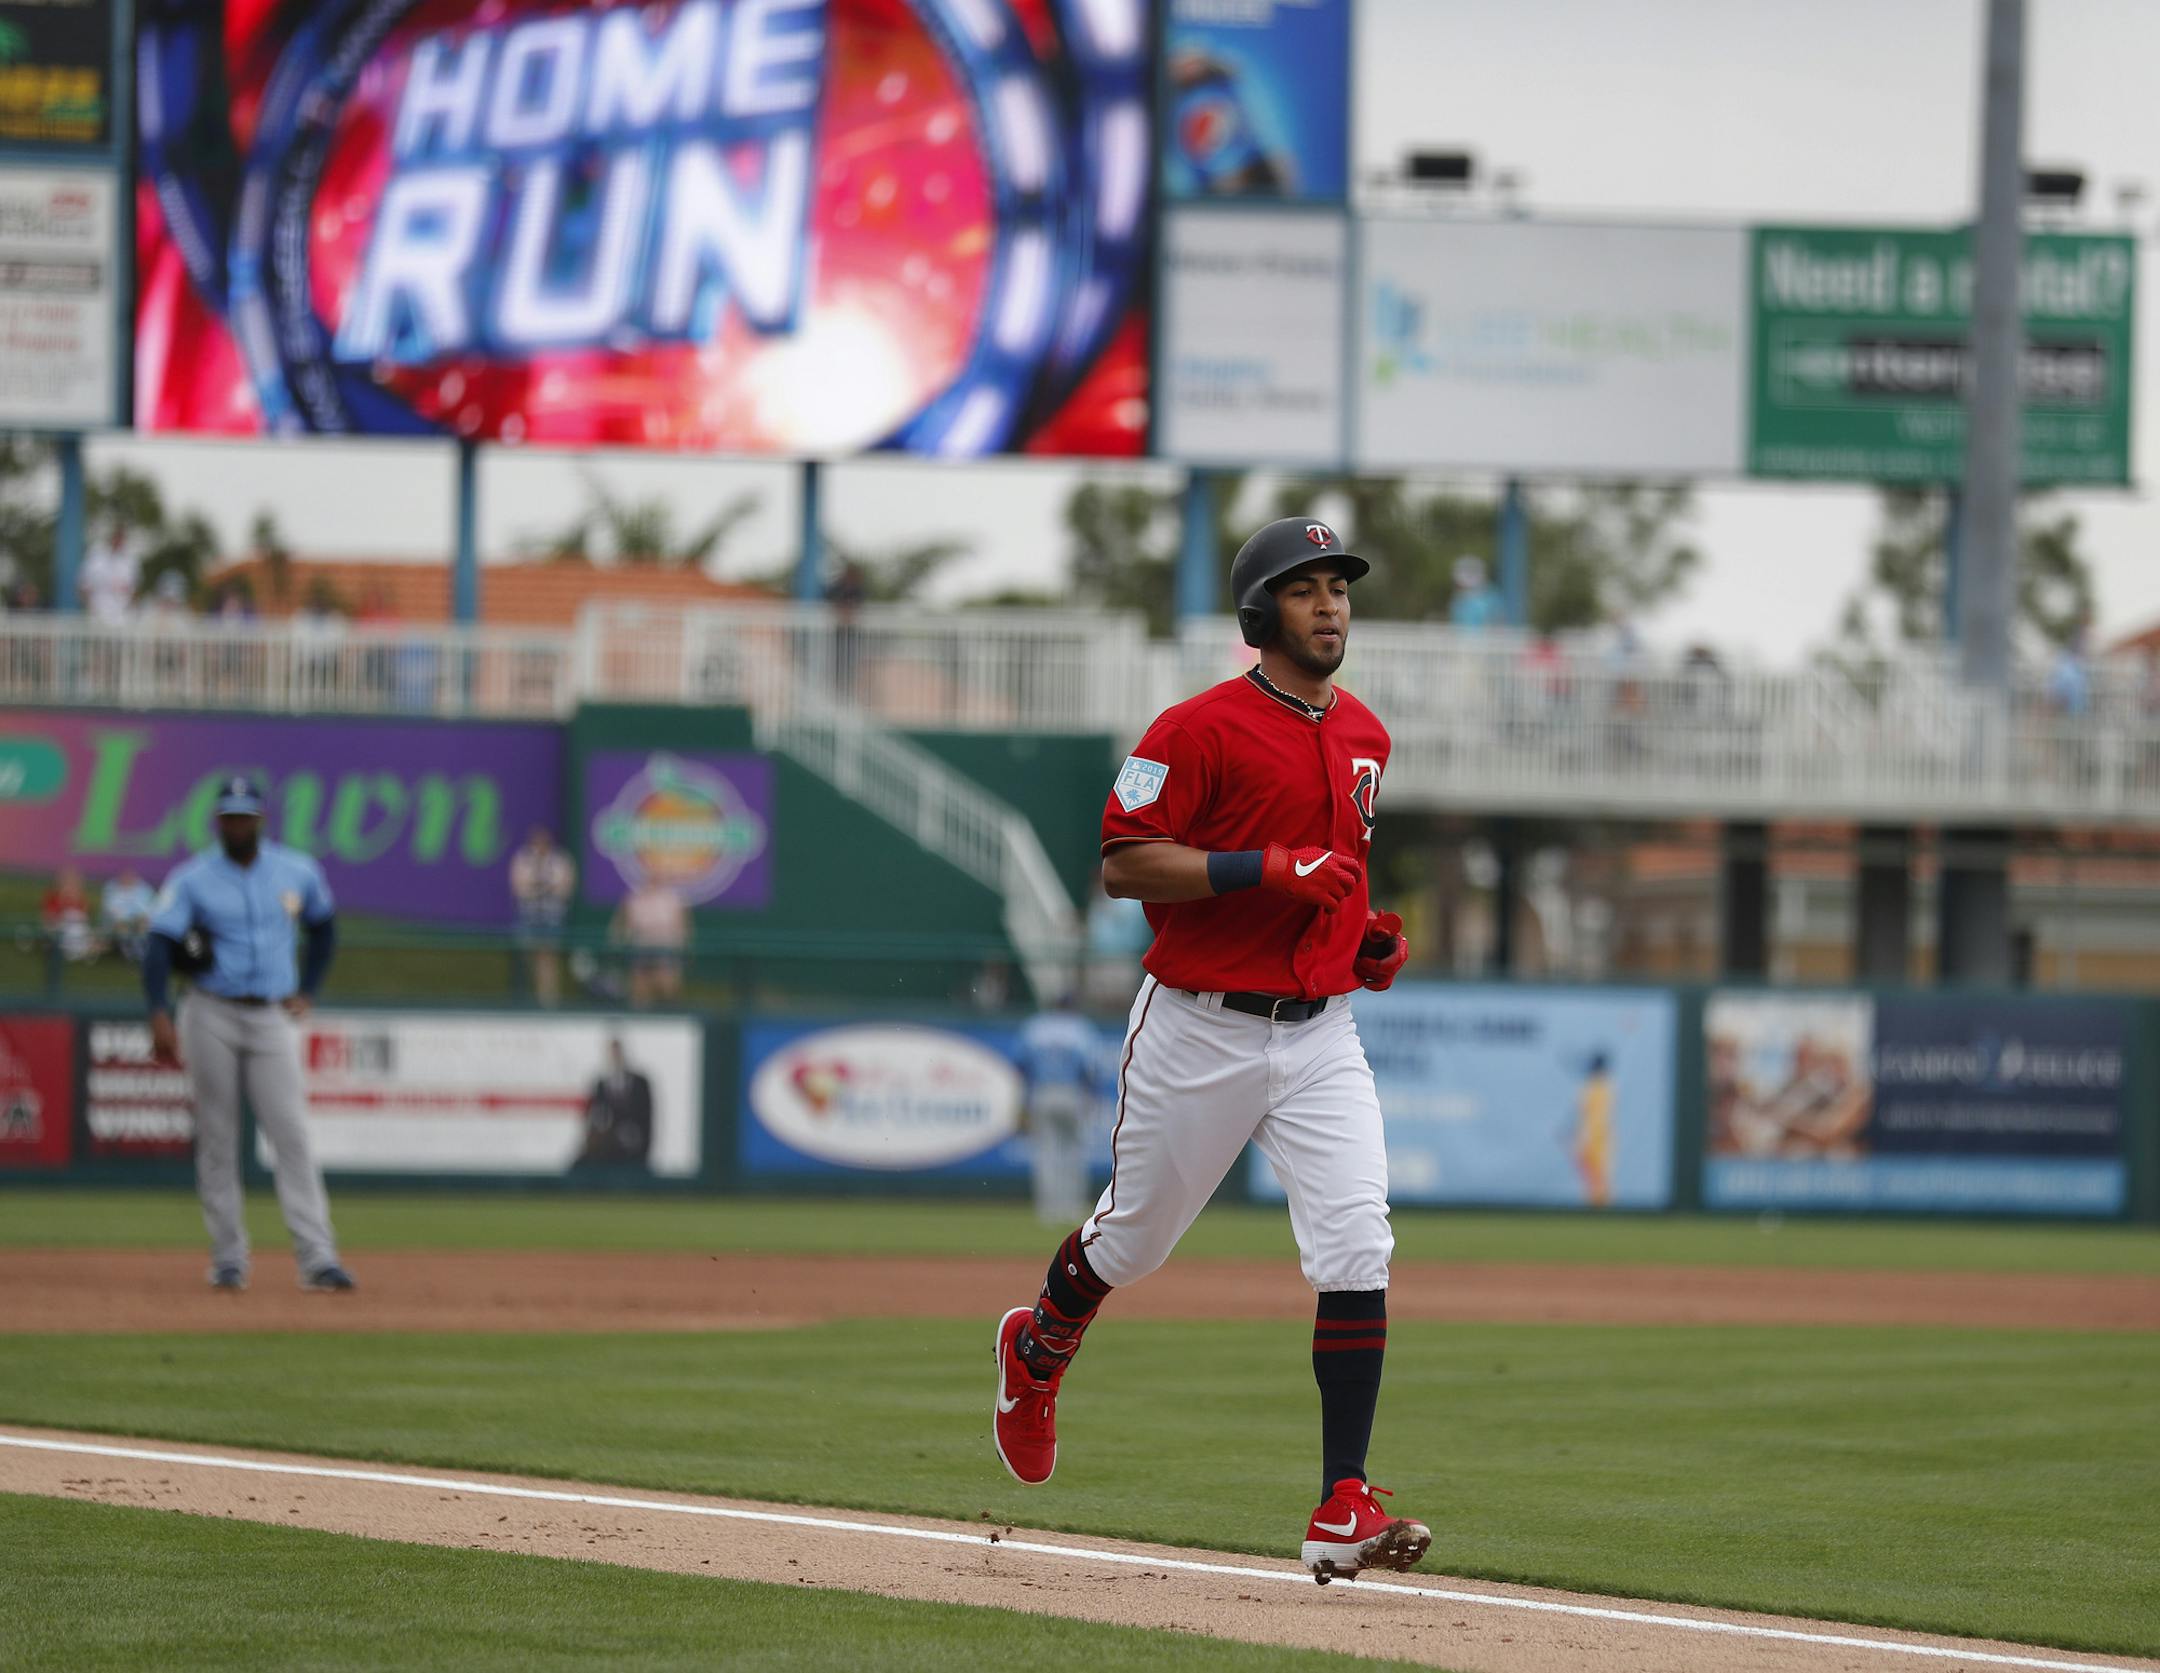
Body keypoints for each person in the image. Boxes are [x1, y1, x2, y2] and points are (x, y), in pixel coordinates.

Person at [990, 517, 1425, 1586]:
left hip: (1319, 1032)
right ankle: (1037, 1344)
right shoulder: (1196, 727)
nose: (1329, 603)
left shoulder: (1366, 731)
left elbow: (1338, 867)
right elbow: (1127, 865)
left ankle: (1342, 1502)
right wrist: (1265, 871)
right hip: (1198, 1023)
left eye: (1339, 586)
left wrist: (1361, 938)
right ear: (1258, 611)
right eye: (1304, 586)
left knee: (1358, 1240)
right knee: (1134, 1242)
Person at [143, 775, 355, 1294]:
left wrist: (309, 987)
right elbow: (158, 943)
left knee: (292, 1133)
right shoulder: (193, 878)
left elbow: (325, 927)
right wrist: (157, 1012)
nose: (237, 824)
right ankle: (228, 1259)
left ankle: (318, 1258)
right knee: (218, 1135)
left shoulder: (296, 870)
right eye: (229, 816)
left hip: (271, 1014)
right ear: (218, 821)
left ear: (261, 819)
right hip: (210, 1008)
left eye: (246, 815)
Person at [1016, 993, 1100, 1224]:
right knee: (1075, 1153)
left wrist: (1023, 1102)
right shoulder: (1080, 1029)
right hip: (1071, 1093)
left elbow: (1021, 1067)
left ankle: (1048, 1211)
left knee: (1046, 1153)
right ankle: (1072, 1207)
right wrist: (1092, 1097)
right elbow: (1090, 1070)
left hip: (1042, 1092)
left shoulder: (1036, 1027)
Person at [509, 827, 577, 1006]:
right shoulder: (523, 859)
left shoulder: (560, 860)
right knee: (529, 956)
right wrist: (543, 886)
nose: (540, 845)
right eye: (536, 841)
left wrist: (538, 886)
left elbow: (564, 888)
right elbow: (520, 888)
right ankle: (529, 998)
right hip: (529, 915)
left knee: (548, 957)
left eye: (543, 841)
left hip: (552, 916)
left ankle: (549, 1000)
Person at [574, 1038, 655, 1169]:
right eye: (612, 1053)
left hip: (633, 1143)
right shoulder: (601, 1084)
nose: (615, 1057)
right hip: (608, 1143)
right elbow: (596, 1116)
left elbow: (647, 1117)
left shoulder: (640, 1083)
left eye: (617, 1053)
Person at [612, 878, 687, 1007]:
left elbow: (683, 929)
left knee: (666, 985)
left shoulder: (672, 899)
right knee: (640, 988)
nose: (653, 880)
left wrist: (681, 949)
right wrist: (619, 941)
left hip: (665, 950)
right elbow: (619, 927)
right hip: (641, 948)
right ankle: (639, 1016)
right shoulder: (634, 898)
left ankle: (668, 1014)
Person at [102, 866, 157, 964]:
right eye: (125, 876)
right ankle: (127, 951)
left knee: (142, 923)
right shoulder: (113, 889)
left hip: (139, 919)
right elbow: (110, 908)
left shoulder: (143, 890)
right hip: (119, 920)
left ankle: (139, 950)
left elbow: (148, 908)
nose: (128, 879)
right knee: (122, 924)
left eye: (131, 876)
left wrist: (140, 917)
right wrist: (122, 917)